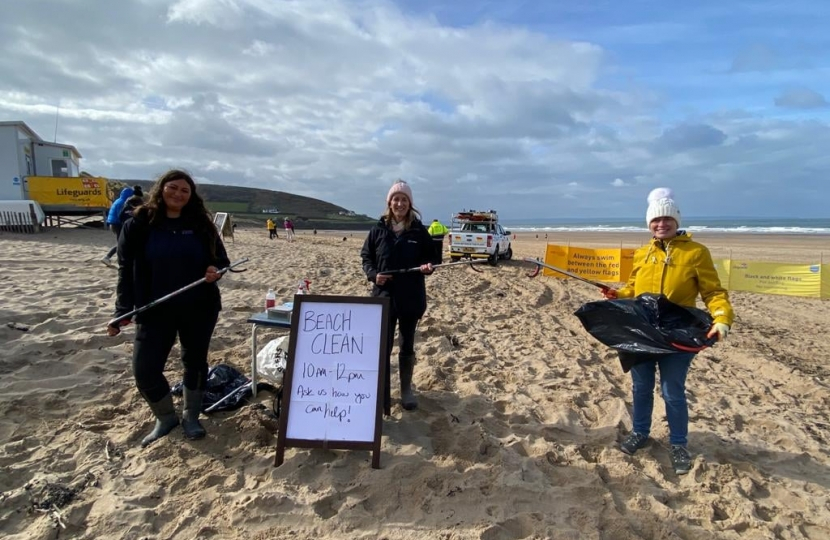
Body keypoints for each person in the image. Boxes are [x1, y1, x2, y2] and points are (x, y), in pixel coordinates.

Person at [602, 187, 734, 475]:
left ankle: (678, 444)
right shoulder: (642, 253)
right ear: (649, 224)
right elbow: (634, 288)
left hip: (678, 333)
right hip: (643, 332)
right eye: (655, 220)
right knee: (641, 387)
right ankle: (640, 432)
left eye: (666, 219)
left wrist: (722, 318)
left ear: (676, 221)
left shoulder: (697, 252)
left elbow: (713, 291)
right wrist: (618, 292)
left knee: (672, 391)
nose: (661, 224)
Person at [107, 170, 230, 447]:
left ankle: (191, 416)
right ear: (161, 189)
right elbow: (125, 270)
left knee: (195, 362)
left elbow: (221, 261)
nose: (178, 194)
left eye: (184, 190)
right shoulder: (139, 222)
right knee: (145, 370)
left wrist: (215, 271)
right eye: (172, 188)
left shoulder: (201, 224)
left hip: (199, 305)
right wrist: (122, 311)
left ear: (191, 196)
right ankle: (165, 418)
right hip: (154, 308)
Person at [361, 180, 434, 412]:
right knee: (383, 344)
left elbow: (432, 258)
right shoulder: (378, 229)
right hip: (383, 296)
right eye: (396, 199)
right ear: (389, 203)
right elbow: (366, 257)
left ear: (410, 203)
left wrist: (427, 267)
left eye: (404, 199)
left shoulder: (419, 230)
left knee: (407, 343)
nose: (400, 203)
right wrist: (373, 275)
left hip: (411, 296)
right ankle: (382, 392)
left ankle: (406, 390)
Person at [101, 186, 134, 266]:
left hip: (113, 223)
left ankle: (118, 258)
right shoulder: (123, 203)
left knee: (122, 242)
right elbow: (121, 216)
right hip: (117, 224)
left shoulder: (118, 200)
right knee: (121, 242)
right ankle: (107, 257)